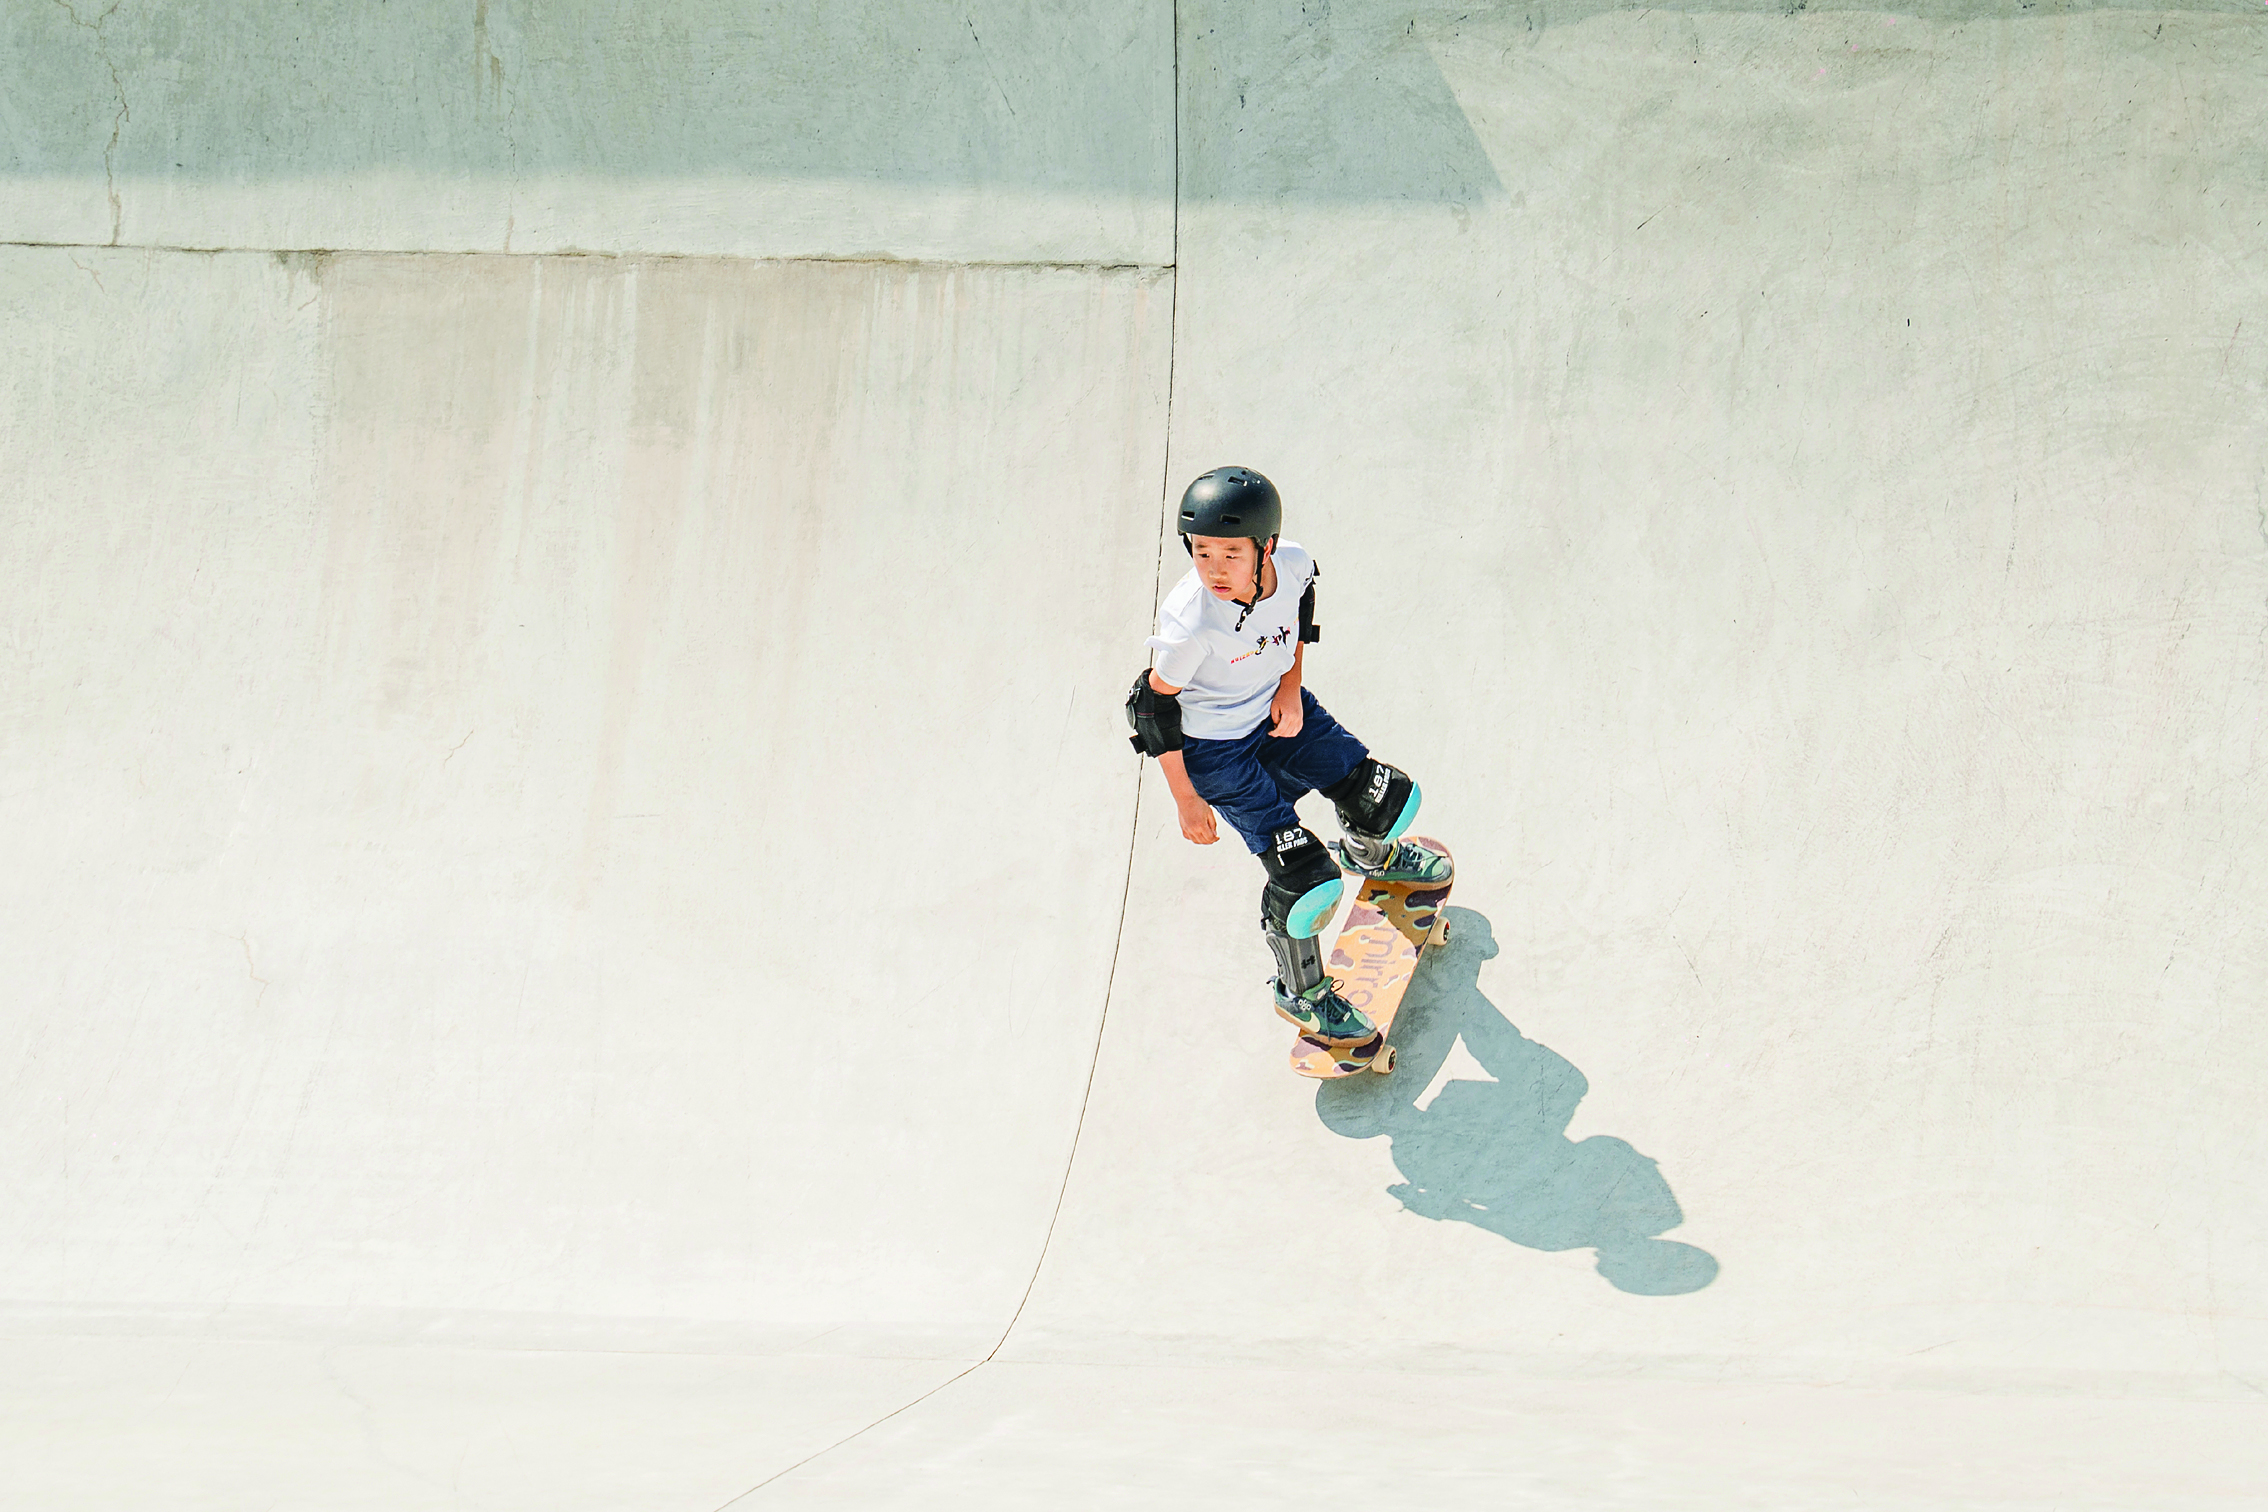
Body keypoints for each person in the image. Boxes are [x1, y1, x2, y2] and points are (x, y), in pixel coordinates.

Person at [1125, 467, 1452, 1046]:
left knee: (1387, 797)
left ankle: (1369, 852)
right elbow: (1150, 706)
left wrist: (1290, 685)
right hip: (1216, 754)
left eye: (1230, 553)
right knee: (1308, 885)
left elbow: (1300, 607)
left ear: (1266, 547)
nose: (1214, 569)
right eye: (1201, 553)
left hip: (1276, 715)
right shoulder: (1189, 619)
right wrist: (1185, 797)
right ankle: (1300, 992)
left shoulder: (1294, 563)